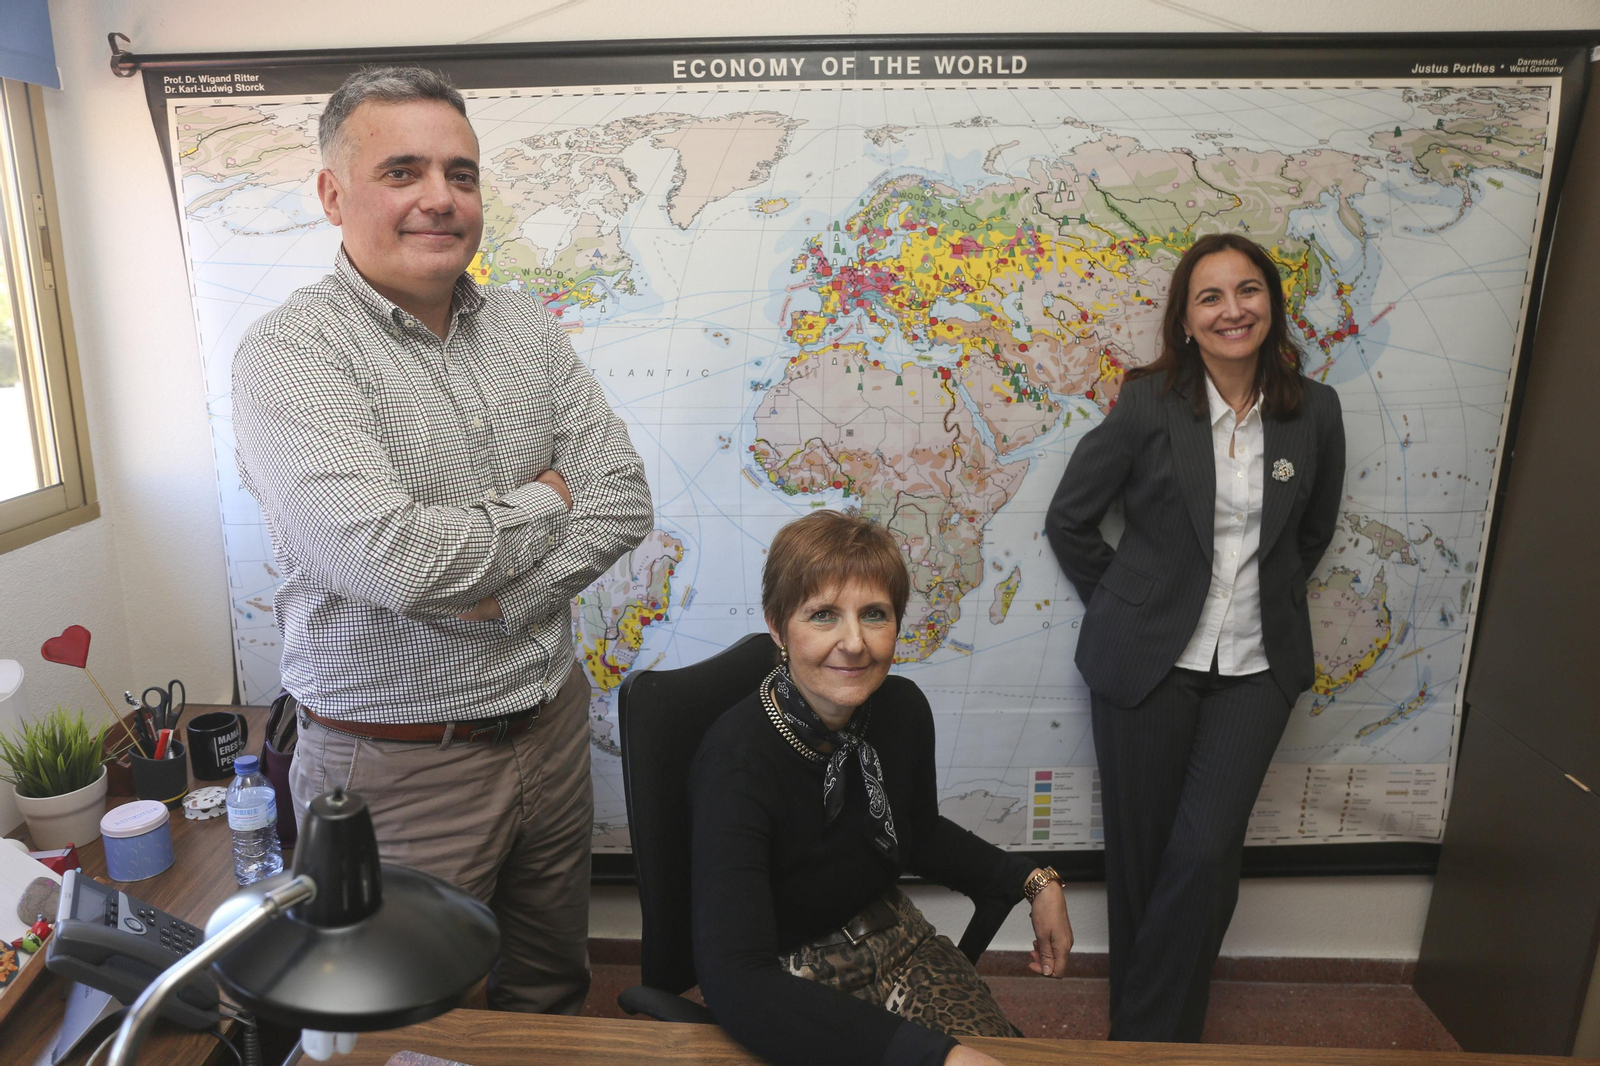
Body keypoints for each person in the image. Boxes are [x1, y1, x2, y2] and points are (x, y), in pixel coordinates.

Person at [230, 66, 651, 1014]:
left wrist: (502, 598)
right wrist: (547, 495)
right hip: (396, 767)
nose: (441, 198)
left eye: (461, 174)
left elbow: (623, 498)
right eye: (403, 171)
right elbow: (399, 561)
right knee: (408, 1021)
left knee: (551, 988)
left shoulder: (523, 327)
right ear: (333, 193)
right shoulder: (292, 355)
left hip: (549, 730)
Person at [1045, 233, 1345, 1041]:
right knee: (1141, 863)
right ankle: (1154, 1043)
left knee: (1205, 854)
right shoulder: (1148, 403)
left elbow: (1312, 533)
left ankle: (1140, 1042)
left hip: (1257, 666)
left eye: (1248, 290)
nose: (1231, 310)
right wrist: (1129, 605)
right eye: (1210, 297)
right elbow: (1070, 519)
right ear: (1185, 320)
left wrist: (1262, 595)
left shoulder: (1314, 410)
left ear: (1272, 304)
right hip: (1145, 662)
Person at [690, 510, 1074, 1066]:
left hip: (902, 942)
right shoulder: (735, 763)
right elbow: (737, 979)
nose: (854, 643)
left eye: (874, 614)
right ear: (777, 626)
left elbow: (918, 833)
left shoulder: (900, 708)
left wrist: (1034, 880)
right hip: (792, 981)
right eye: (823, 615)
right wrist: (936, 1057)